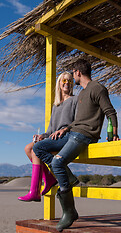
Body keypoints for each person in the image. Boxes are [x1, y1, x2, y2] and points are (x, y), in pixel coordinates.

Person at [33, 59, 120, 232]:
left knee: (57, 162)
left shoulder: (97, 88)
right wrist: (64, 129)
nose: (72, 77)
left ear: (78, 72)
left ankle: (69, 211)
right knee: (38, 147)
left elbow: (110, 112)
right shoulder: (82, 93)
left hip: (85, 135)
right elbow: (78, 121)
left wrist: (114, 133)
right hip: (72, 132)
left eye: (73, 74)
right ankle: (69, 178)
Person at [18, 72, 78, 202]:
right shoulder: (56, 105)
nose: (67, 83)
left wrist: (65, 129)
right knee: (28, 148)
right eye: (64, 81)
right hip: (55, 137)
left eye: (69, 81)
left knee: (36, 150)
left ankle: (34, 191)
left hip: (68, 136)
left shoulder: (75, 100)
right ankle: (49, 179)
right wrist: (42, 136)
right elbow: (51, 130)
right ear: (59, 84)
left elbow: (78, 121)